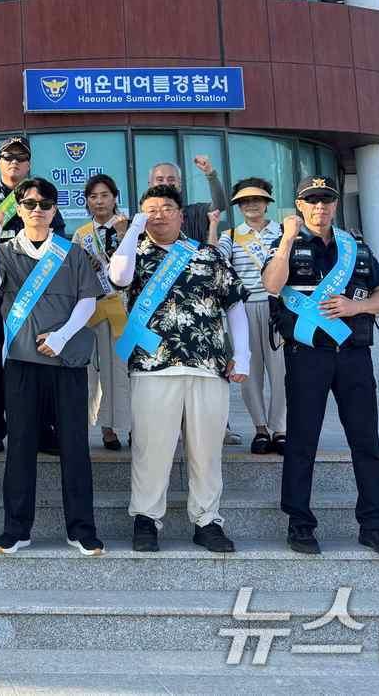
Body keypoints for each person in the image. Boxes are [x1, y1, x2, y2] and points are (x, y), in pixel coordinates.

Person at [263, 176, 379, 558]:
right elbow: (271, 286)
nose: (320, 207)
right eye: (312, 201)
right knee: (302, 440)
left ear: (335, 205)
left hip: (354, 354)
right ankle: (300, 523)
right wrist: (288, 239)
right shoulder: (285, 244)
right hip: (307, 355)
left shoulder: (354, 246)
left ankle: (375, 526)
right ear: (300, 206)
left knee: (365, 441)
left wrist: (357, 307)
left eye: (326, 200)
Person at [107, 184, 249, 554]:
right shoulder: (132, 252)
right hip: (154, 365)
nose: (159, 214)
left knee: (206, 449)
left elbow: (234, 304)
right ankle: (146, 519)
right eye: (150, 208)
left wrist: (243, 355)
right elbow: (119, 279)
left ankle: (206, 521)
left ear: (182, 214)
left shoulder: (207, 254)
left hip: (207, 364)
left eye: (167, 207)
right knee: (151, 448)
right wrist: (133, 230)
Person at [0, 178, 105, 556]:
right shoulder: (6, 250)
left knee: (74, 445)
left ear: (55, 210)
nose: (37, 209)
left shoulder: (73, 252)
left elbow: (88, 302)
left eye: (44, 203)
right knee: (19, 445)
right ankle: (16, 528)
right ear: (19, 208)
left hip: (66, 361)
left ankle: (81, 529)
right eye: (29, 203)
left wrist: (62, 337)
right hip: (21, 361)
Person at [0, 136, 66, 456]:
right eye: (8, 157)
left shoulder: (38, 194)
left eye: (21, 157)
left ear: (29, 164)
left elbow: (57, 235)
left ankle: (44, 429)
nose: (14, 162)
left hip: (34, 293)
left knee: (38, 360)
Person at [147, 158, 241, 447]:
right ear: (151, 185)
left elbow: (221, 203)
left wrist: (212, 174)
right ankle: (171, 428)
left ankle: (219, 426)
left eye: (171, 179)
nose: (165, 184)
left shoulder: (197, 211)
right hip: (166, 305)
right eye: (159, 180)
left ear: (180, 184)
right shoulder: (149, 214)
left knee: (212, 361)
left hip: (202, 301)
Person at [217, 178, 286, 455]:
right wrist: (212, 226)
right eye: (245, 201)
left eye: (257, 199)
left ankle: (280, 429)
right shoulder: (230, 236)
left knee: (282, 371)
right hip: (243, 310)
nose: (252, 205)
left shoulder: (283, 232)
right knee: (249, 370)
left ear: (267, 202)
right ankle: (260, 429)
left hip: (278, 306)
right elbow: (215, 260)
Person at [72, 174, 131, 452]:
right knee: (98, 370)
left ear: (115, 197)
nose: (99, 201)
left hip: (126, 309)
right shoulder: (81, 235)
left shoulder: (131, 228)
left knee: (128, 369)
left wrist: (122, 235)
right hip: (95, 310)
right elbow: (72, 274)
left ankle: (134, 425)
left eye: (105, 195)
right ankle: (107, 428)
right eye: (93, 196)